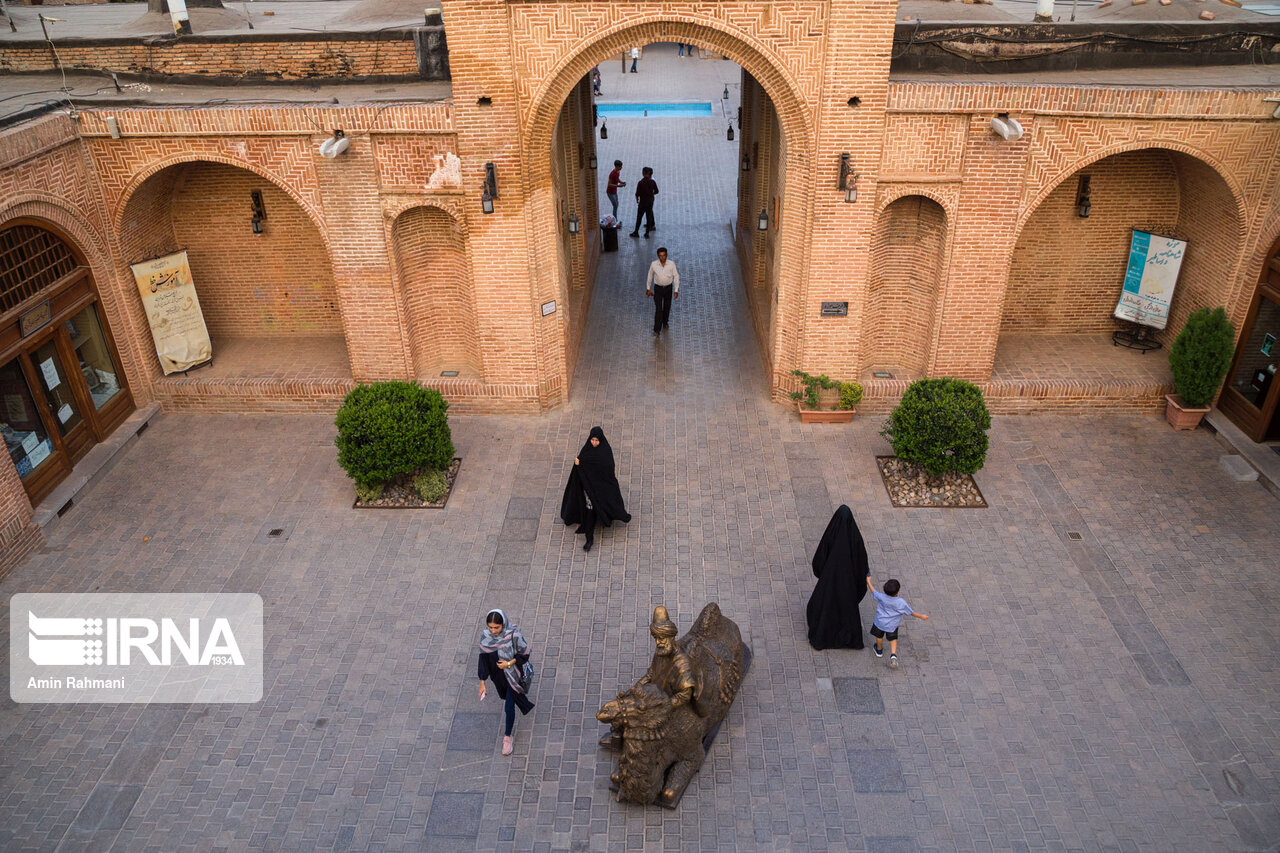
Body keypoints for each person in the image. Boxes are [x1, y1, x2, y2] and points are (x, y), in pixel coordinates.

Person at [806, 505, 870, 650]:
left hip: (830, 579)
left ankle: (824, 635)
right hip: (848, 583)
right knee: (846, 608)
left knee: (827, 605)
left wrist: (823, 573)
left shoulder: (831, 534)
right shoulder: (855, 540)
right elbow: (861, 562)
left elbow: (820, 557)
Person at [560, 426, 631, 551]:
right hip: (588, 489)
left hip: (601, 488)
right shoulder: (586, 450)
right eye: (592, 440)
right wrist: (578, 465)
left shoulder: (605, 452)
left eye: (596, 440)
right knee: (590, 511)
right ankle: (589, 539)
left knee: (605, 505)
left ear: (601, 440)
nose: (594, 443)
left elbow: (607, 470)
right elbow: (582, 466)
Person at [477, 609, 534, 756]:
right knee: (507, 700)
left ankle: (507, 737)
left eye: (497, 627)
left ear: (503, 624)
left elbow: (525, 653)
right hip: (499, 676)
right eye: (490, 627)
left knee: (509, 706)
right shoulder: (486, 636)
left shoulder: (513, 635)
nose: (493, 631)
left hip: (513, 675)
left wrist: (509, 664)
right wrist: (482, 682)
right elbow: (483, 659)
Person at [866, 576, 929, 669]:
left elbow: (873, 591)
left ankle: (879, 650)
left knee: (879, 636)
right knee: (893, 639)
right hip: (892, 625)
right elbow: (911, 612)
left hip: (879, 622)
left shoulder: (882, 597)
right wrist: (921, 616)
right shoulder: (901, 602)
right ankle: (893, 655)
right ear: (898, 591)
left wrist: (868, 582)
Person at [645, 247, 679, 335]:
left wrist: (676, 290)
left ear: (666, 255)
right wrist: (648, 288)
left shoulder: (671, 264)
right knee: (659, 309)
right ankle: (656, 330)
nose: (662, 257)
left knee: (667, 307)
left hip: (668, 289)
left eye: (664, 255)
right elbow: (650, 276)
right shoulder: (653, 264)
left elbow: (676, 276)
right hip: (658, 289)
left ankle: (665, 322)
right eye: (660, 256)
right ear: (658, 256)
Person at [629, 166, 658, 238]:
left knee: (639, 217)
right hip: (650, 202)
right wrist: (651, 194)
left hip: (642, 203)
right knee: (649, 217)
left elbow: (637, 193)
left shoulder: (640, 182)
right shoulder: (652, 182)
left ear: (643, 173)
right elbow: (657, 191)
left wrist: (637, 200)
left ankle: (636, 232)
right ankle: (647, 233)